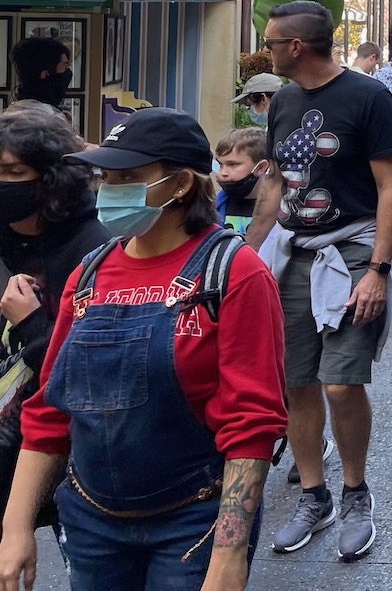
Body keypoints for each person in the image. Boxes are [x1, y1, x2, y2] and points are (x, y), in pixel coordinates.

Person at [0, 108, 286, 591]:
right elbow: (49, 410)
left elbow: (251, 424)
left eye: (129, 177)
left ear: (180, 185)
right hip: (91, 522)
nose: (110, 190)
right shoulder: (89, 274)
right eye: (106, 177)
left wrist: (228, 555)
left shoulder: (234, 273)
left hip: (192, 523)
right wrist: (15, 527)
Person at [250, 1, 392, 561]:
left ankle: (357, 494)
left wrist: (378, 271)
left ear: (297, 47)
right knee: (297, 382)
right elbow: (275, 186)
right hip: (295, 255)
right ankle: (314, 497)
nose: (264, 50)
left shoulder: (368, 98)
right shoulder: (284, 101)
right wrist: (242, 258)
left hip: (353, 252)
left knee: (340, 382)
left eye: (271, 42)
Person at [0, 105, 110, 547]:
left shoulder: (92, 251)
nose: (3, 183)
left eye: (12, 171)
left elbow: (86, 378)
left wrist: (29, 323)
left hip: (64, 457)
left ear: (50, 178)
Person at [216, 127, 270, 235]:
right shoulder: (212, 209)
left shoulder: (281, 212)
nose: (223, 173)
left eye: (233, 164)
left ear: (260, 168)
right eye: (220, 164)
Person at [9, 41, 70, 112]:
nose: (67, 72)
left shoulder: (11, 112)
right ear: (45, 74)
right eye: (65, 67)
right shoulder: (49, 119)